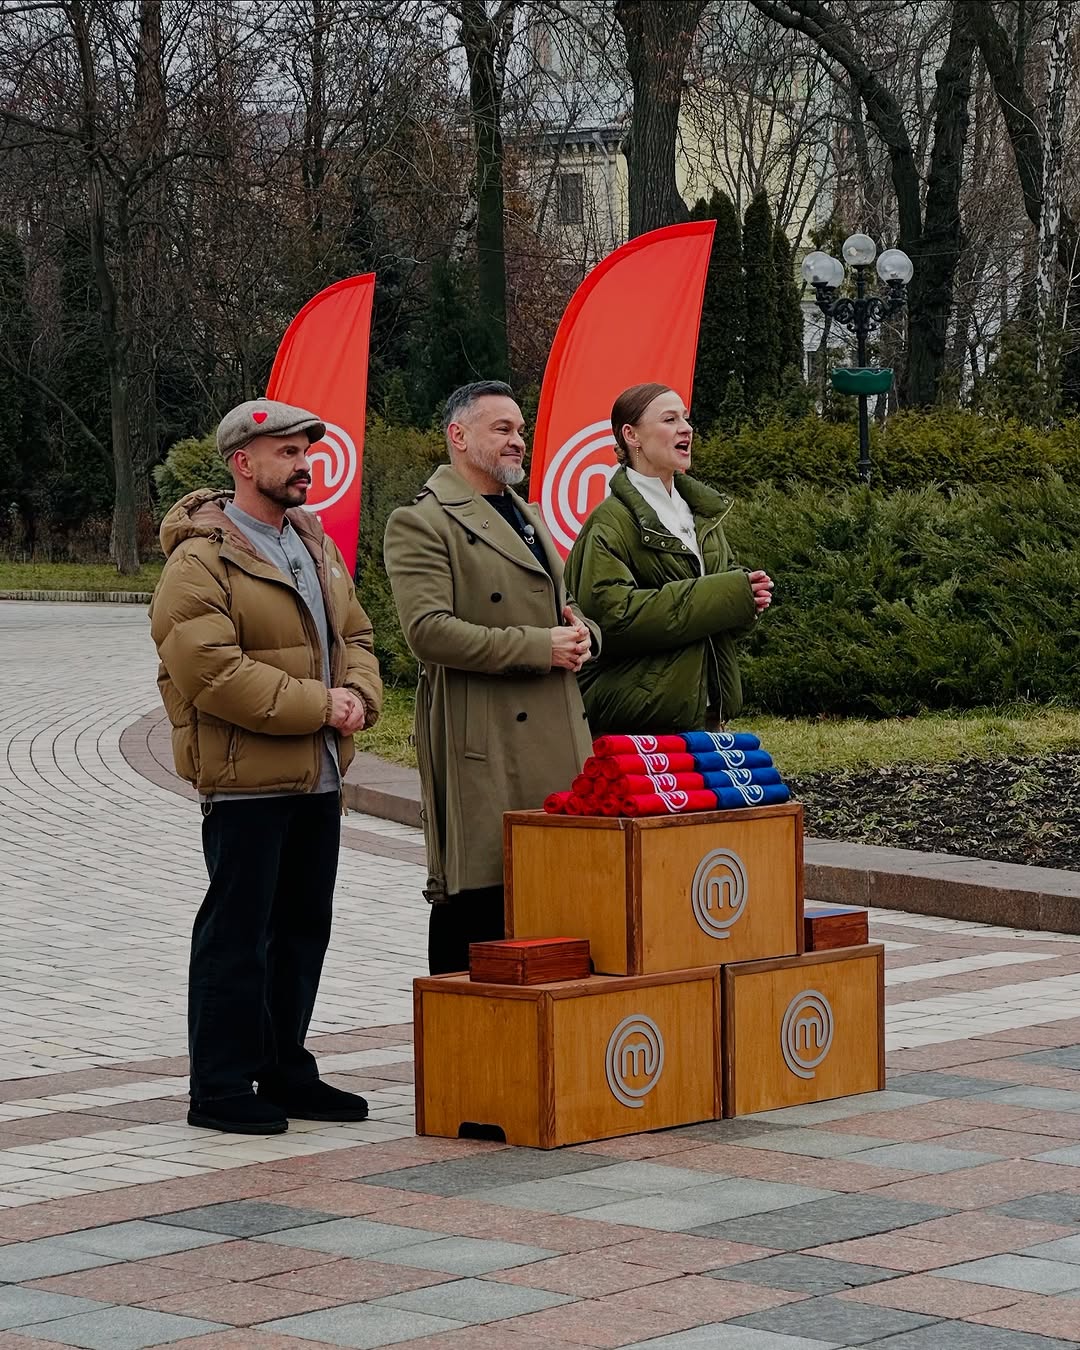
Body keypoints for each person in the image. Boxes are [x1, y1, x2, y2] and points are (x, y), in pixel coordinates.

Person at [149, 397, 383, 1135]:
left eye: (306, 449)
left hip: (316, 775)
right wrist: (321, 703)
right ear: (242, 462)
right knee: (236, 933)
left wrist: (360, 695)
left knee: (302, 927)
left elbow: (357, 632)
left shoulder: (312, 542)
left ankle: (284, 1069)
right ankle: (218, 1089)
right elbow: (210, 672)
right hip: (246, 779)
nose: (304, 463)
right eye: (287, 452)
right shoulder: (199, 559)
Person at [383, 380, 598, 975]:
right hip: (485, 737)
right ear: (459, 436)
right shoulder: (421, 522)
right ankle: (464, 1049)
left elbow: (562, 603)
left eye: (520, 430)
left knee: (551, 896)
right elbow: (427, 632)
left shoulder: (524, 512)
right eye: (501, 429)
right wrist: (540, 647)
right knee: (480, 901)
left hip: (554, 726)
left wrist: (582, 635)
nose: (517, 441)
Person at [564, 382, 772, 735]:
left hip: (706, 713)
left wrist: (747, 599)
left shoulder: (701, 514)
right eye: (670, 419)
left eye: (686, 419)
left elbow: (717, 607)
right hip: (643, 720)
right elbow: (610, 620)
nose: (686, 429)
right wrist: (724, 595)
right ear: (632, 435)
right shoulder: (608, 522)